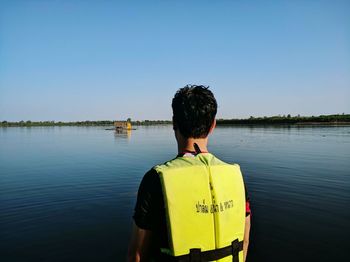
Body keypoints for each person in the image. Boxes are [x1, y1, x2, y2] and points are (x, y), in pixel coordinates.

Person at [128, 85, 251, 262]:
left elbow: (136, 256)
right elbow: (244, 241)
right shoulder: (236, 176)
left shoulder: (156, 179)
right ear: (213, 125)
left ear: (174, 123)